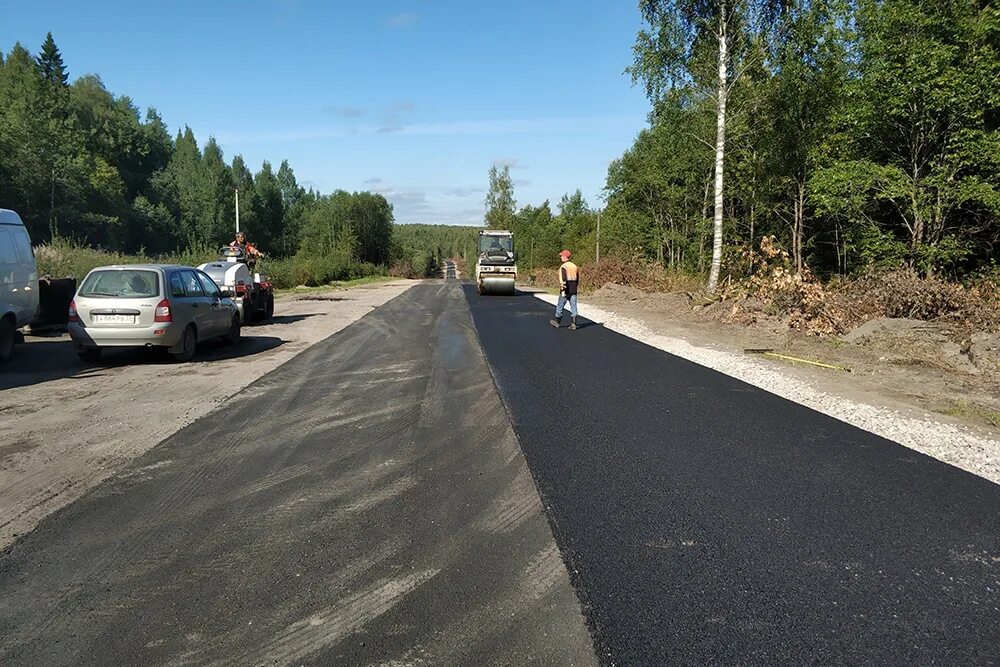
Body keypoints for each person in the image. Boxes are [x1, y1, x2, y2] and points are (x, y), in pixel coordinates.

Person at [550, 249, 579, 330]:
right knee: (574, 307)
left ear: (565, 256)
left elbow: (563, 279)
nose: (561, 257)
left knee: (560, 306)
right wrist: (575, 287)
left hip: (565, 290)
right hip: (573, 290)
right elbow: (577, 279)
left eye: (561, 256)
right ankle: (574, 324)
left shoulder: (563, 267)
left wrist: (563, 290)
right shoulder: (574, 266)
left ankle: (557, 322)